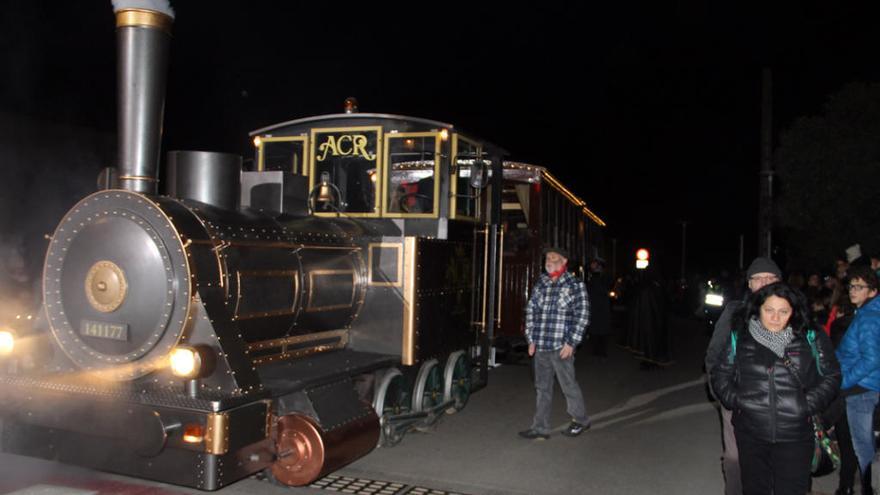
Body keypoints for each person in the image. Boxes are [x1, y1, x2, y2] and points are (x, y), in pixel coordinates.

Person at [711, 282, 841, 495]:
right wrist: (737, 400)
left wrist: (806, 405)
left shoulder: (810, 336)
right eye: (769, 310)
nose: (775, 317)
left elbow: (832, 375)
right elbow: (720, 373)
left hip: (795, 435)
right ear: (758, 309)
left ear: (794, 312)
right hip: (751, 433)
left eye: (783, 311)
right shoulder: (741, 336)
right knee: (755, 489)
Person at [705, 256, 782, 495]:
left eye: (770, 278)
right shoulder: (734, 312)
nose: (764, 283)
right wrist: (721, 392)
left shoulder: (792, 313)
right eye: (757, 279)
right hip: (737, 398)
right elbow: (714, 355)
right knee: (735, 457)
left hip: (778, 400)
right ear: (749, 284)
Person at [519, 247, 591, 440]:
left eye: (553, 258)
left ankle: (581, 420)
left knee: (568, 385)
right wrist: (531, 339)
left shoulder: (575, 284)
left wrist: (571, 342)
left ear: (564, 261)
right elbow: (531, 311)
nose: (548, 261)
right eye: (547, 259)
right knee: (542, 388)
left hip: (561, 347)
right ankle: (540, 427)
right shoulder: (541, 282)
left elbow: (582, 316)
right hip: (541, 345)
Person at [836, 265, 880, 495]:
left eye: (859, 287)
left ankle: (867, 489)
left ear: (872, 291)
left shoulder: (869, 317)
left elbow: (872, 359)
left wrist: (844, 381)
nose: (853, 291)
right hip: (864, 387)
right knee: (861, 445)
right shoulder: (868, 312)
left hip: (860, 390)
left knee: (862, 447)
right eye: (851, 286)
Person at [586, 257, 611, 358]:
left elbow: (606, 291)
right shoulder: (592, 280)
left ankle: (600, 350)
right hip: (596, 307)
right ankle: (598, 350)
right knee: (596, 331)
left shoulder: (603, 279)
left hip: (601, 308)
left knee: (600, 330)